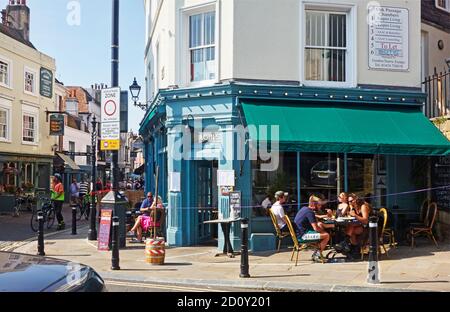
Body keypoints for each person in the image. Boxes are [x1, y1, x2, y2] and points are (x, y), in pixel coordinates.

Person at [293, 195, 332, 262]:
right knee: (326, 235)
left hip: (300, 234)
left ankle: (317, 253)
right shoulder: (310, 212)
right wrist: (323, 231)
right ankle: (317, 255)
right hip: (303, 236)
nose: (320, 206)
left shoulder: (304, 209)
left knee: (321, 231)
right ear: (314, 204)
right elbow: (316, 228)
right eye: (319, 205)